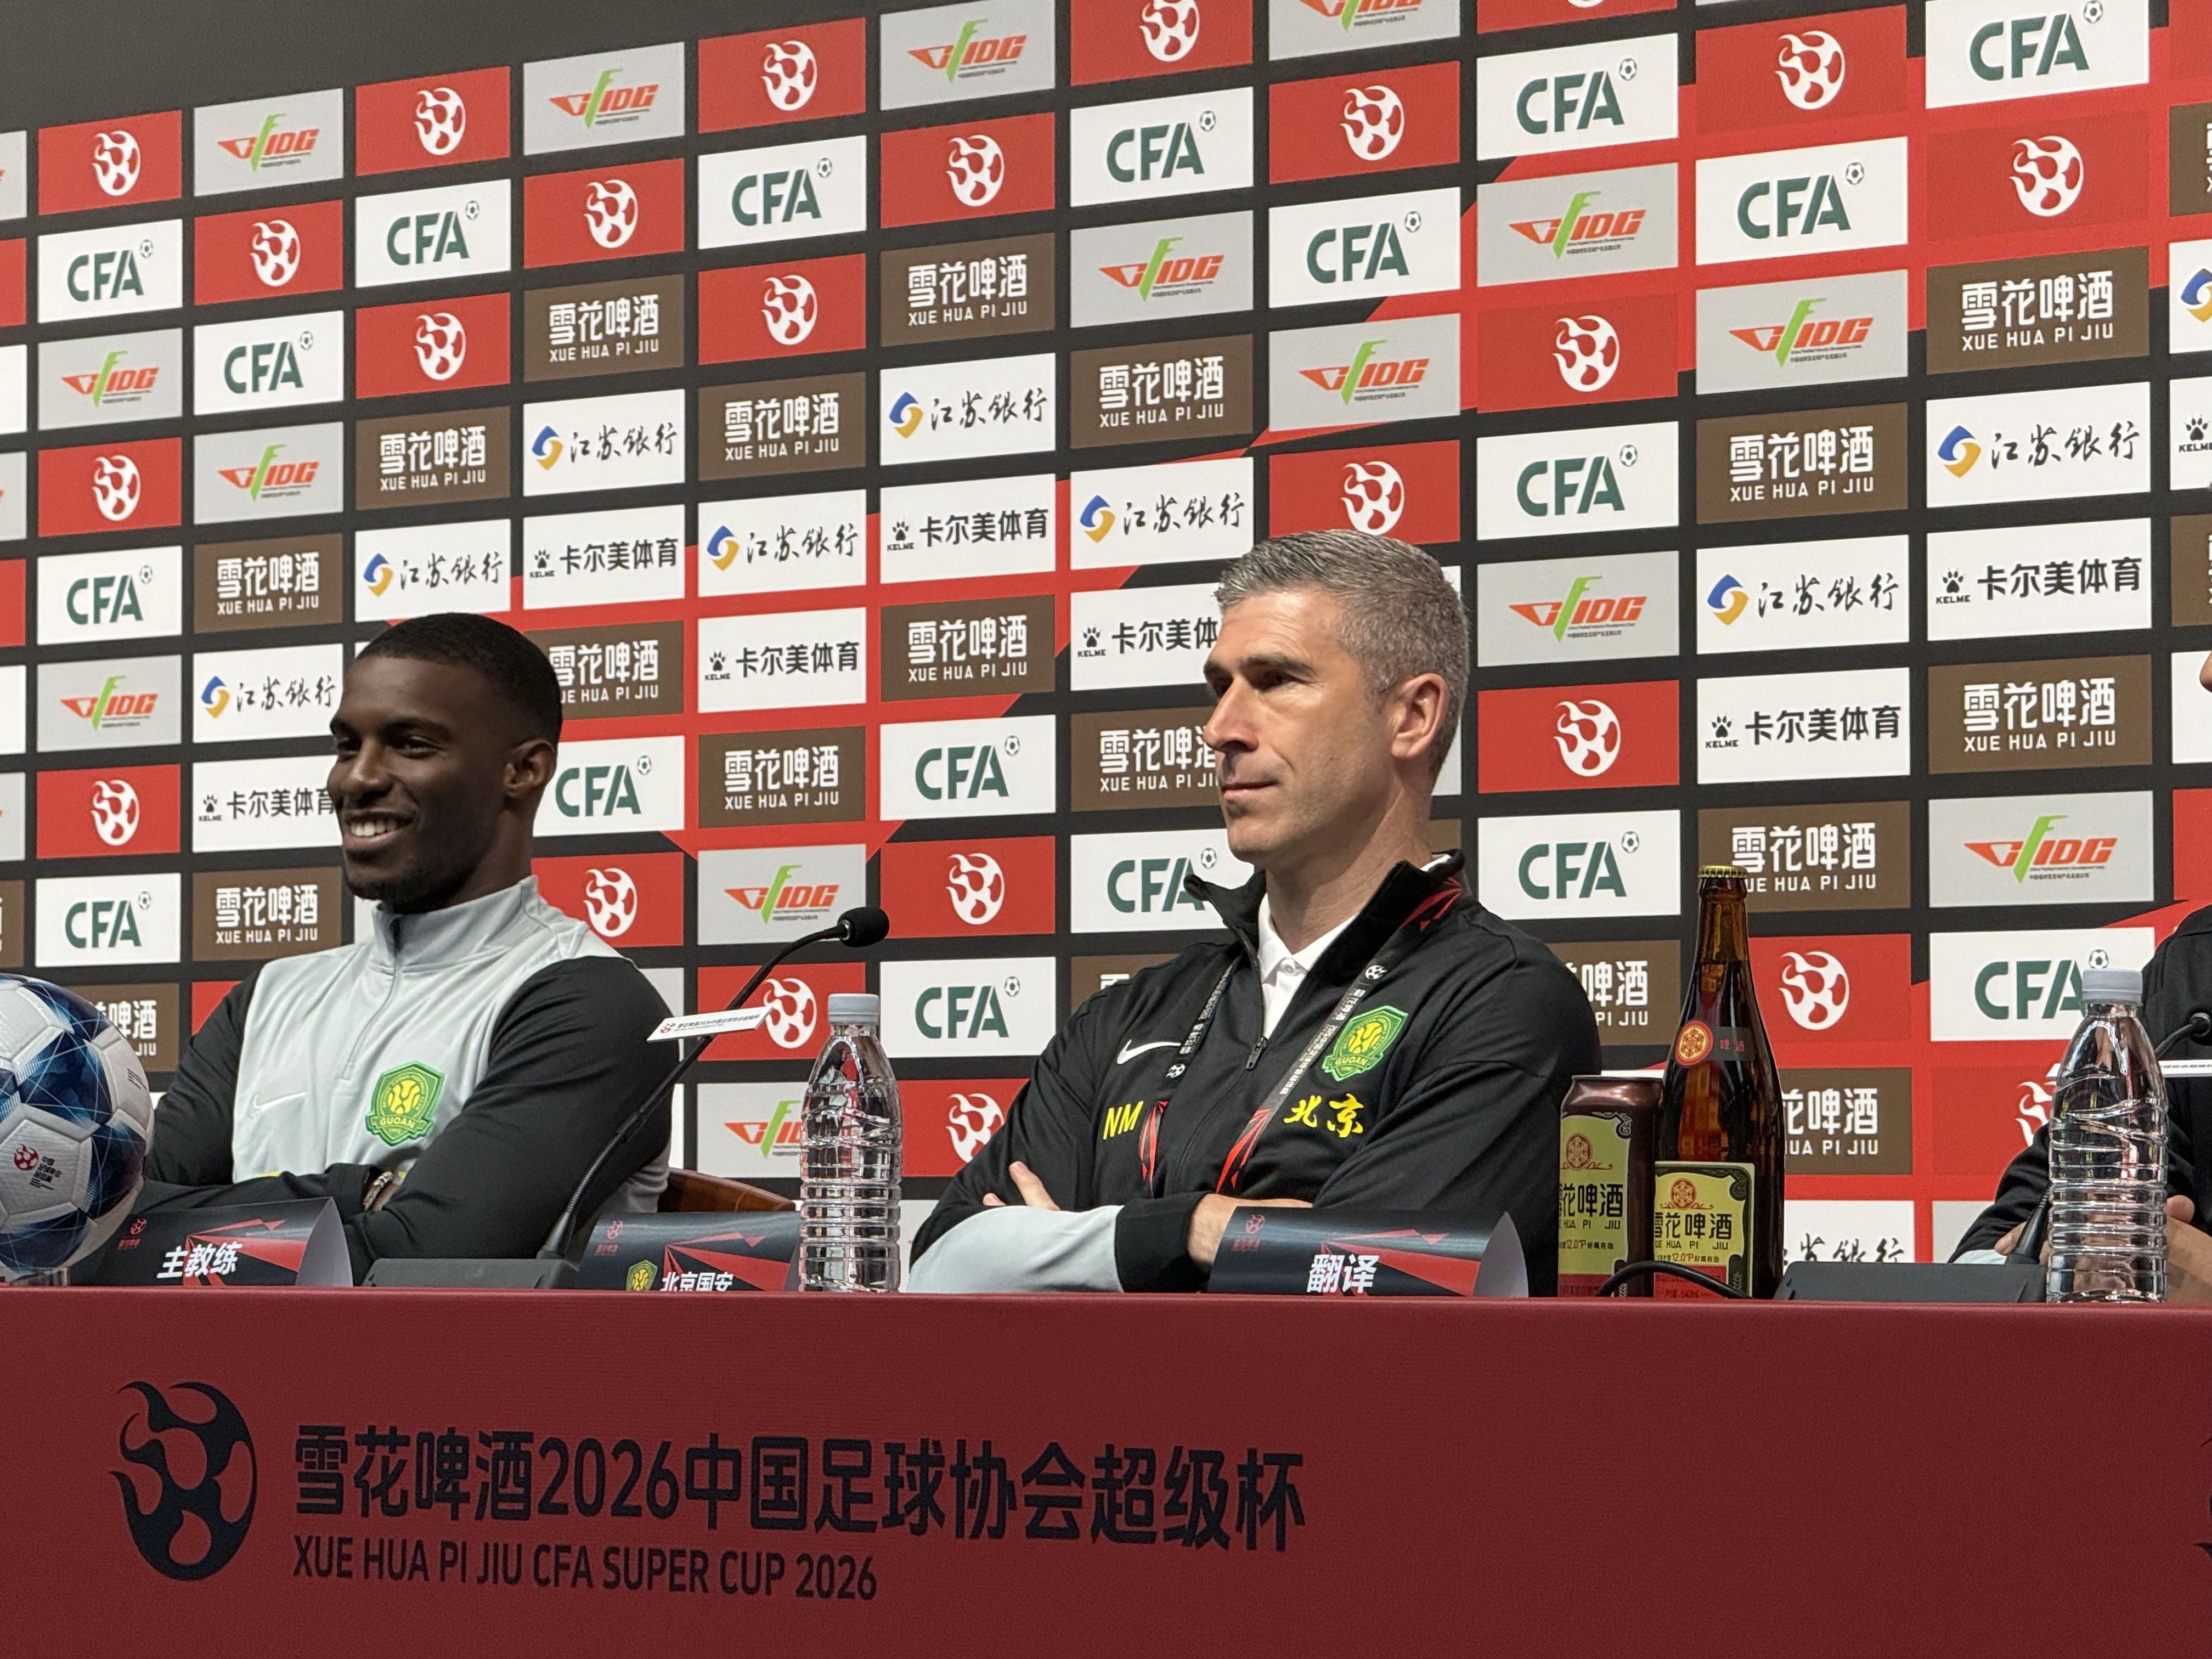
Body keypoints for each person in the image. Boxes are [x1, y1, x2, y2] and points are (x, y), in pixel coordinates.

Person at [909, 531, 1600, 1294]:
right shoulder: (1127, 1016)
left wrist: (1064, 1254)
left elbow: (1369, 1297)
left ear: (1412, 716)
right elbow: (942, 1270)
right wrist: (1195, 1229)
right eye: (1221, 687)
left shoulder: (1502, 1004)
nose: (1222, 729)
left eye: (1276, 681)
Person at [135, 613, 673, 1279]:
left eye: (411, 745)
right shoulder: (268, 998)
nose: (356, 779)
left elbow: (419, 1260)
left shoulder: (592, 1002)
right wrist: (353, 1191)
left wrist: (198, 1226)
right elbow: (116, 1224)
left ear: (523, 770)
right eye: (346, 746)